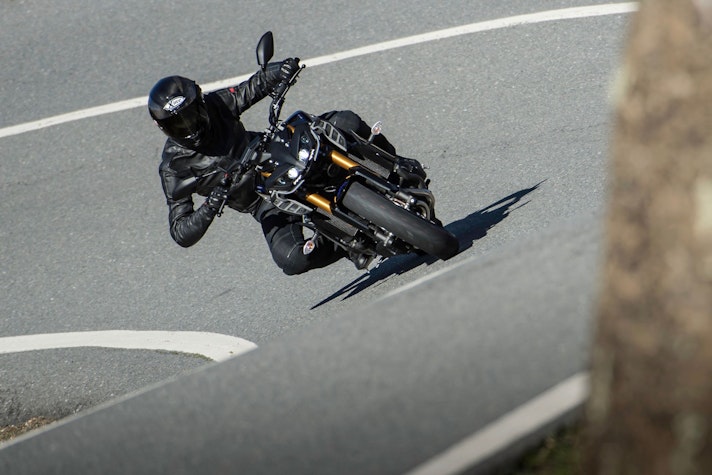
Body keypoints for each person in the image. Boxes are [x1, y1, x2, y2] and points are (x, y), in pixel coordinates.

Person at [149, 58, 425, 275]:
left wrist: (280, 70)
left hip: (278, 150)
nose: (189, 128)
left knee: (344, 121)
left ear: (200, 102)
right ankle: (350, 242)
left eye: (192, 116)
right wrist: (210, 206)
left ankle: (397, 166)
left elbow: (252, 87)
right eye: (177, 125)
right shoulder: (174, 168)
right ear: (161, 127)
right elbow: (180, 231)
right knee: (291, 259)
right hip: (263, 200)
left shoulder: (216, 105)